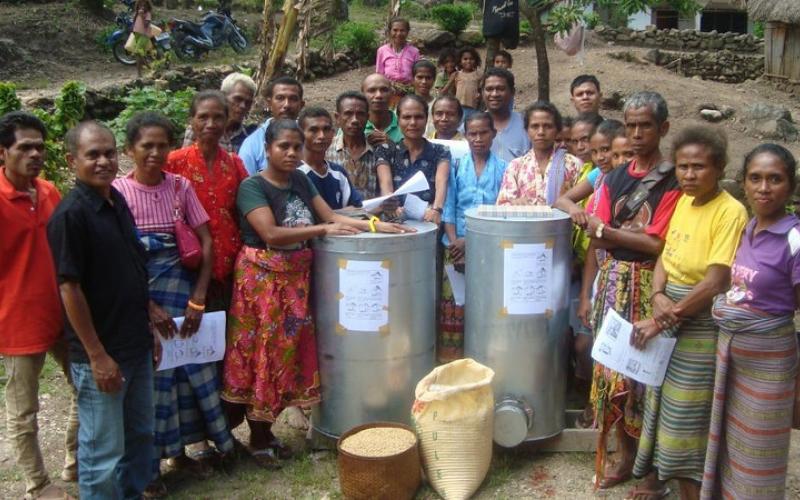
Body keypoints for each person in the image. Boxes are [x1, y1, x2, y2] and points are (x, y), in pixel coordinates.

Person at [222, 119, 411, 468]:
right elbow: (272, 234)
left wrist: (375, 225)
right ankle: (255, 438)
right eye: (284, 147)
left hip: (294, 280)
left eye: (296, 147)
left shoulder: (299, 178)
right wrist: (324, 228)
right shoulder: (253, 187)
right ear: (267, 149)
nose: (292, 153)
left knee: (285, 355)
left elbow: (331, 214)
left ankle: (265, 434)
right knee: (263, 355)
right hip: (262, 283)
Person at [113, 112, 233, 497]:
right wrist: (148, 307)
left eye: (161, 144)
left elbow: (207, 241)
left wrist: (198, 296)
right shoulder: (117, 193)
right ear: (130, 149)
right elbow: (117, 260)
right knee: (154, 384)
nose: (154, 152)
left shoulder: (180, 186)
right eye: (146, 145)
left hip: (183, 295)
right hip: (138, 303)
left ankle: (188, 451)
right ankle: (150, 469)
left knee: (191, 375)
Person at [629, 125, 748, 500]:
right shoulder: (681, 201)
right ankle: (663, 484)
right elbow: (664, 253)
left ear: (719, 168)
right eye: (682, 167)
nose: (689, 175)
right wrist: (659, 294)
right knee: (659, 404)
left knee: (687, 419)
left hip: (700, 322)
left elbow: (715, 282)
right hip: (670, 310)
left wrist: (665, 314)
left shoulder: (730, 211)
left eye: (699, 167)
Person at [579, 92, 682, 491]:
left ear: (663, 128)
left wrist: (610, 231)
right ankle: (624, 458)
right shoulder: (613, 178)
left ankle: (652, 470)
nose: (637, 133)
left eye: (647, 126)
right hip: (613, 283)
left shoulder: (676, 179)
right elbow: (596, 236)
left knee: (649, 379)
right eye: (632, 125)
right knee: (613, 374)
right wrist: (622, 234)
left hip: (651, 287)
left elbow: (660, 244)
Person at [48, 121, 156, 500]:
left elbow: (133, 269)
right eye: (92, 154)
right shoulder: (70, 215)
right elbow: (69, 287)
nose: (103, 161)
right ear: (71, 160)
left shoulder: (117, 201)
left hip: (135, 344)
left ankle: (131, 493)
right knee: (102, 450)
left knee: (141, 434)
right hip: (102, 353)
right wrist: (97, 356)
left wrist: (149, 328)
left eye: (109, 152)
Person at [701, 144, 800, 500]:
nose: (764, 187)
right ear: (743, 183)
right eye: (755, 178)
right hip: (733, 361)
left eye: (775, 179)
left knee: (759, 454)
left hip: (770, 366)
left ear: (789, 187)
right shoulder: (748, 228)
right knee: (731, 446)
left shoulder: (794, 239)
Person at [0, 111, 77, 500]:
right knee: (24, 411)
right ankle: (37, 484)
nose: (34, 154)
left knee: (85, 388)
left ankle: (75, 462)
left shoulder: (49, 192)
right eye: (23, 147)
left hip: (62, 312)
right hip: (15, 319)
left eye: (39, 147)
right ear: (3, 152)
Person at [554, 118, 626, 428]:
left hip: (623, 274)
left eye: (606, 151)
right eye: (595, 151)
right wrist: (576, 210)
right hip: (594, 269)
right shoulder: (598, 177)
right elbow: (562, 198)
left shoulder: (631, 184)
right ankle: (592, 401)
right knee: (586, 345)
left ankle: (615, 415)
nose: (600, 157)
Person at [165, 91, 249, 313]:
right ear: (191, 120)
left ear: (226, 119)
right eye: (203, 117)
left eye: (218, 117)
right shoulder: (174, 162)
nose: (210, 124)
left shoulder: (234, 163)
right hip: (187, 264)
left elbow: (246, 210)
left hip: (231, 265)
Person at [439, 112, 507, 362]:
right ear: (465, 136)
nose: (478, 139)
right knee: (454, 310)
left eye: (483, 133)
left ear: (494, 134)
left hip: (489, 248)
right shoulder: (456, 165)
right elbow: (448, 206)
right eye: (472, 133)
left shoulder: (504, 169)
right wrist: (456, 241)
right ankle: (452, 365)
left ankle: (484, 361)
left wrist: (472, 242)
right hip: (454, 248)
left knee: (486, 307)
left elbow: (502, 209)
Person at [376, 94, 450, 223]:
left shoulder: (441, 151)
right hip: (394, 220)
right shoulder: (386, 150)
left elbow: (441, 182)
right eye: (406, 117)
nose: (413, 123)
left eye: (419, 117)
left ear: (427, 119)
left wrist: (436, 210)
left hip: (429, 220)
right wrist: (392, 205)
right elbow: (385, 183)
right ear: (398, 120)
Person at [496, 101, 582, 206]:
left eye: (548, 126)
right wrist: (514, 204)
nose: (541, 132)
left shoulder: (573, 164)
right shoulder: (516, 167)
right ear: (526, 130)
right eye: (535, 126)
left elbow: (583, 207)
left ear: (557, 130)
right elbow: (502, 207)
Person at [297, 106, 362, 209]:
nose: (322, 136)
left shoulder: (338, 172)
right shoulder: (294, 174)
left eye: (326, 129)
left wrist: (382, 204)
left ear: (333, 133)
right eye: (314, 130)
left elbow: (358, 208)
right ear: (300, 134)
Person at [326, 91, 387, 199]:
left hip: (373, 215)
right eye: (348, 114)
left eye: (360, 114)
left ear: (367, 117)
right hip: (337, 215)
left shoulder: (379, 149)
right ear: (337, 118)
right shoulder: (326, 150)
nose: (354, 120)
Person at [238, 76, 305, 175]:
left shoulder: (311, 137)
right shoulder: (252, 144)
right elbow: (246, 183)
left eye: (293, 99)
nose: (286, 105)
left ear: (301, 105)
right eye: (280, 98)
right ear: (269, 103)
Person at [183, 72, 257, 154]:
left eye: (248, 102)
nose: (243, 106)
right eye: (238, 99)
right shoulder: (200, 128)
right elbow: (185, 160)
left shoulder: (248, 136)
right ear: (223, 96)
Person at [482, 68, 530, 163]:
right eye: (489, 89)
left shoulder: (527, 124)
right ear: (482, 92)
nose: (494, 94)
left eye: (501, 89)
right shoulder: (471, 126)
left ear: (512, 92)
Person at [375, 17, 420, 106]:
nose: (398, 33)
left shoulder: (414, 51)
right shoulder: (382, 51)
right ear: (389, 32)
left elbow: (417, 74)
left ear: (407, 32)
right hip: (388, 92)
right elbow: (379, 74)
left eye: (402, 30)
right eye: (395, 30)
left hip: (408, 92)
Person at [362, 73, 404, 145]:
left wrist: (392, 146)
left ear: (392, 93)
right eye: (372, 90)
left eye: (384, 90)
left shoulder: (406, 124)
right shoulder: (352, 126)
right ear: (362, 95)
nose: (378, 95)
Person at [441, 47, 482, 119]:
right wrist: (451, 80)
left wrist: (480, 95)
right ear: (460, 61)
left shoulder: (478, 75)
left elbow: (481, 90)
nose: (468, 61)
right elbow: (446, 91)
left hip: (473, 107)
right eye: (465, 59)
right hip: (459, 107)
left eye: (471, 59)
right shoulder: (457, 74)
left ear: (475, 61)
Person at [130, 0, 155, 77]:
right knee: (141, 53)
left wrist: (141, 16)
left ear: (148, 6)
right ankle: (149, 68)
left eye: (144, 5)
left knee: (138, 52)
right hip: (137, 34)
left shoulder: (147, 14)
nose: (142, 7)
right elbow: (135, 23)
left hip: (144, 35)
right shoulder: (137, 13)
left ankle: (140, 73)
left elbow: (146, 25)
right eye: (140, 5)